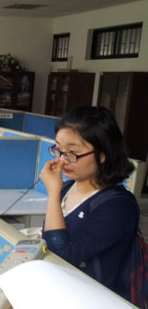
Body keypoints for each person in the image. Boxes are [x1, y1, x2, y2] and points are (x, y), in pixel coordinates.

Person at [40, 105, 139, 297]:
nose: (62, 160)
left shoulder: (119, 207)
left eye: (72, 152)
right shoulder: (67, 187)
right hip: (61, 290)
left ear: (102, 155)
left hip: (93, 302)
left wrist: (53, 193)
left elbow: (61, 256)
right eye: (58, 149)